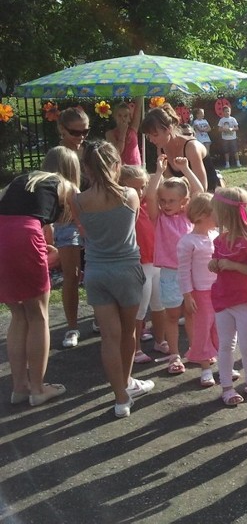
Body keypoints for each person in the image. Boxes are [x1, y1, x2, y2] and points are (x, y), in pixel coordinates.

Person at [73, 141, 153, 418]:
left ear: (86, 169)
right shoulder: (129, 194)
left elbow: (84, 232)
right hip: (127, 270)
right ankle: (127, 383)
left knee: (109, 337)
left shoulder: (78, 199)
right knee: (128, 332)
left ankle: (121, 398)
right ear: (117, 165)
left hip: (96, 271)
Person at [1, 168, 75, 407]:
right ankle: (38, 389)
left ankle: (19, 387)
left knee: (18, 315)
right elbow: (58, 218)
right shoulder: (62, 185)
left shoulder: (22, 183)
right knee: (38, 316)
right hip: (25, 235)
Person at [146, 154, 204, 375]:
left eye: (172, 201)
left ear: (184, 202)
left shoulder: (190, 217)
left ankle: (194, 349)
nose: (166, 205)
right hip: (170, 274)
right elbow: (150, 197)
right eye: (164, 201)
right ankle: (174, 354)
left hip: (191, 273)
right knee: (172, 315)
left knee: (191, 314)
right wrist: (159, 172)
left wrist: (187, 169)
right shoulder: (159, 218)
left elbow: (199, 192)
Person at [209, 187, 247, 405]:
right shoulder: (219, 240)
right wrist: (213, 264)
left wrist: (233, 265)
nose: (212, 215)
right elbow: (215, 263)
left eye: (214, 210)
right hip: (223, 300)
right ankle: (227, 387)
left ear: (225, 214)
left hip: (245, 300)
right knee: (225, 345)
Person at [119, 165, 166, 364]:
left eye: (143, 187)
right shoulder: (124, 208)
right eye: (135, 188)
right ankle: (135, 347)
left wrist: (160, 172)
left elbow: (155, 191)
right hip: (138, 265)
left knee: (159, 304)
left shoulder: (148, 204)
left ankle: (160, 340)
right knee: (139, 309)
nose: (140, 192)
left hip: (156, 262)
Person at [54, 107, 89, 344]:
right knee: (71, 275)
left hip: (93, 217)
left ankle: (100, 316)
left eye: (85, 131)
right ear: (62, 129)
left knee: (96, 271)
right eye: (75, 132)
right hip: (67, 221)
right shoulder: (57, 156)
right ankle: (72, 327)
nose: (81, 137)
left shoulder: (90, 152)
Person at [177, 193, 219, 388]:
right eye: (215, 213)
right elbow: (183, 271)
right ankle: (205, 367)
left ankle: (222, 361)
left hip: (219, 291)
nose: (219, 217)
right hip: (200, 293)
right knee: (203, 327)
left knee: (220, 327)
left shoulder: (216, 236)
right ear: (202, 215)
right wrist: (187, 295)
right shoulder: (188, 242)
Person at [141, 104, 219, 192]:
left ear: (168, 129)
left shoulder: (191, 147)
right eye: (148, 136)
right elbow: (170, 182)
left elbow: (202, 189)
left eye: (155, 135)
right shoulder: (161, 148)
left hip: (210, 196)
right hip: (185, 196)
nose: (151, 140)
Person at [105, 97, 143, 166]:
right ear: (115, 117)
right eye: (119, 116)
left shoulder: (133, 128)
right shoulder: (110, 134)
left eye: (125, 116)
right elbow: (118, 152)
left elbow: (138, 107)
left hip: (135, 169)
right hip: (121, 170)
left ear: (129, 118)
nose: (122, 118)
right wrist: (122, 133)